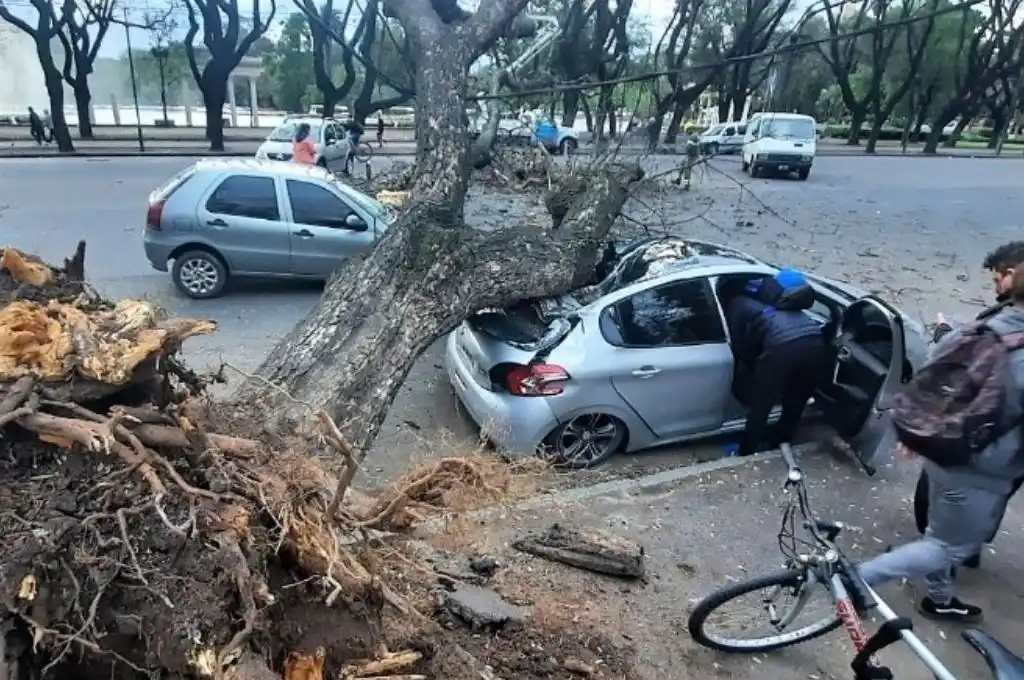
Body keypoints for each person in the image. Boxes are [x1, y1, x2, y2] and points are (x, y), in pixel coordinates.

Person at [859, 263, 1024, 623]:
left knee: (939, 534)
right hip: (981, 472)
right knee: (949, 547)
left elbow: (936, 373)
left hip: (943, 453)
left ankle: (940, 598)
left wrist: (921, 434)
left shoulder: (983, 329)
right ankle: (857, 580)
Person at [913, 240, 1024, 570]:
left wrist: (945, 338)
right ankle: (955, 547)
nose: (995, 288)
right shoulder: (1007, 312)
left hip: (989, 442)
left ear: (1011, 275)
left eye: (996, 280)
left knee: (964, 497)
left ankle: (949, 555)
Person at [725, 269, 825, 457]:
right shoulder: (795, 311)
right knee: (795, 403)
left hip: (782, 347)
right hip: (815, 341)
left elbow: (742, 345)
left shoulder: (741, 305)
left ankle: (746, 451)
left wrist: (751, 365)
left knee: (762, 405)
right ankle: (781, 442)